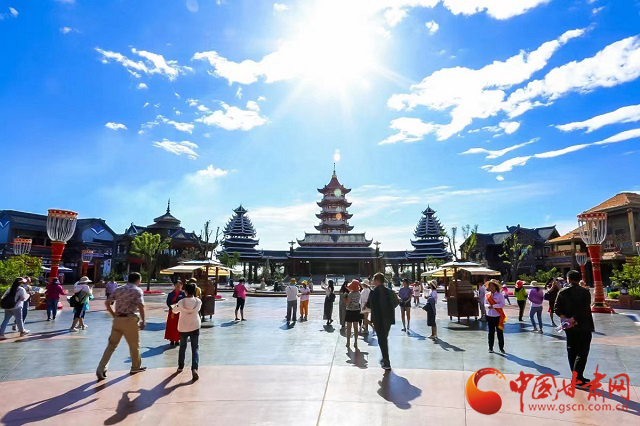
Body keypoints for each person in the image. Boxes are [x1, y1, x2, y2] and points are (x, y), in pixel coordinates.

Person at [96, 272, 146, 381]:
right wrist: (143, 321)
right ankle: (135, 367)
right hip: (130, 320)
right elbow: (141, 306)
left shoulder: (119, 289)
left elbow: (107, 302)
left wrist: (113, 314)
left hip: (118, 320)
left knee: (111, 345)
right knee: (134, 345)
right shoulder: (137, 290)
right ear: (138, 280)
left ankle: (101, 368)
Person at [554, 270, 595, 387]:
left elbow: (556, 308)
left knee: (571, 350)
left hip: (569, 327)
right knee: (582, 352)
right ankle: (577, 378)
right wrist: (573, 319)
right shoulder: (585, 292)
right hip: (584, 325)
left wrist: (566, 320)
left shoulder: (562, 292)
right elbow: (584, 309)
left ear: (568, 279)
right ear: (579, 279)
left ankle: (577, 376)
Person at [172, 281, 202, 381]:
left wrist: (175, 306)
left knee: (182, 347)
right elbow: (198, 310)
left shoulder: (181, 302)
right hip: (195, 325)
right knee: (195, 348)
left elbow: (174, 310)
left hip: (183, 326)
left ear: (185, 291)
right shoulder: (198, 301)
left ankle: (180, 366)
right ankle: (194, 369)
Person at [369, 273, 398, 370]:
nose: (373, 281)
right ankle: (384, 358)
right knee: (384, 338)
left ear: (377, 280)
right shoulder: (390, 292)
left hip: (378, 319)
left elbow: (369, 305)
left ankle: (386, 360)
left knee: (382, 339)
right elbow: (396, 302)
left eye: (374, 279)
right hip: (388, 318)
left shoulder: (373, 293)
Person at [486, 279, 506, 354]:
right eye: (490, 286)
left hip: (498, 316)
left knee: (499, 333)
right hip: (490, 315)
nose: (491, 288)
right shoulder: (487, 295)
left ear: (495, 286)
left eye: (492, 286)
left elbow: (502, 304)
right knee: (491, 332)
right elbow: (484, 303)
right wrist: (487, 306)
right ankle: (490, 347)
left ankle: (501, 348)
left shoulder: (500, 295)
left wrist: (494, 306)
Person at [165, 280, 185, 346]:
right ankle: (171, 339)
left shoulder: (183, 294)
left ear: (182, 286)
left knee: (179, 326)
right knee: (171, 326)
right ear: (174, 286)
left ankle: (177, 339)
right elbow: (168, 303)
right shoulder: (171, 294)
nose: (178, 286)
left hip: (180, 313)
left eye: (179, 285)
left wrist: (179, 307)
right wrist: (174, 307)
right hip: (172, 312)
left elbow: (184, 303)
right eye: (176, 285)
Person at [345, 280, 361, 350]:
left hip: (349, 311)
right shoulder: (359, 293)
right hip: (356, 311)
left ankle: (348, 342)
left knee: (349, 328)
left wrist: (345, 298)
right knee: (356, 328)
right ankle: (356, 342)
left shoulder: (350, 294)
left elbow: (347, 303)